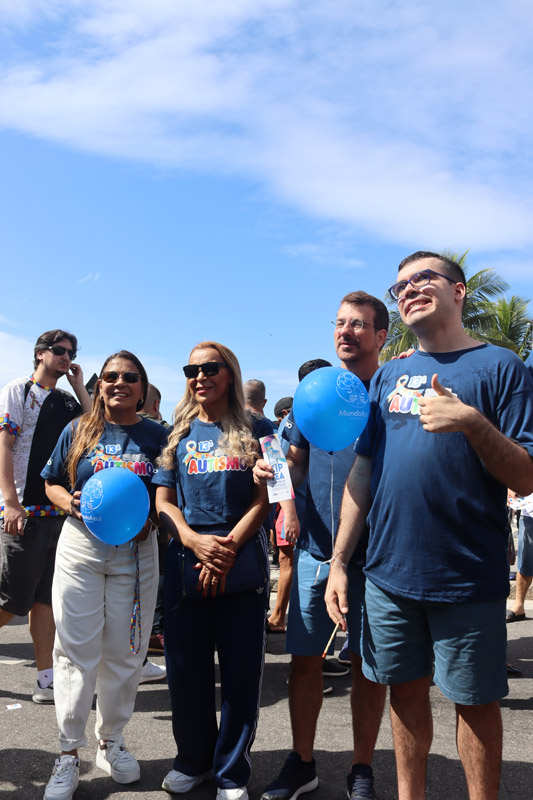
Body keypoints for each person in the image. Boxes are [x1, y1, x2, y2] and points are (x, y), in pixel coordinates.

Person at [326, 252, 533, 800]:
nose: (409, 289)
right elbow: (363, 472)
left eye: (424, 278)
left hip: (466, 574)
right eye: (400, 286)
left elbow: (526, 475)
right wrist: (340, 563)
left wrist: (469, 421)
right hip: (390, 573)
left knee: (475, 702)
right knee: (405, 696)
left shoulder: (502, 367)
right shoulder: (389, 374)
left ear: (459, 290)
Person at [256, 295, 389, 800]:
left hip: (376, 556)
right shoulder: (314, 393)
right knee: (305, 660)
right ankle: (302, 762)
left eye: (359, 324)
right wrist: (274, 485)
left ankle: (361, 768)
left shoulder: (390, 392)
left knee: (366, 666)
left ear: (381, 336)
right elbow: (288, 459)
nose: (346, 331)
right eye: (339, 323)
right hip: (314, 550)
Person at [41, 350, 167, 800]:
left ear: (142, 385)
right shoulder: (78, 430)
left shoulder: (159, 435)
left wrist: (158, 515)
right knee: (75, 649)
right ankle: (68, 753)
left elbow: (170, 492)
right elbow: (51, 480)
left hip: (137, 553)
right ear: (99, 386)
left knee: (126, 650)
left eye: (129, 377)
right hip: (82, 547)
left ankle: (110, 740)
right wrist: (65, 502)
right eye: (111, 376)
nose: (119, 383)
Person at [154, 342, 275, 800]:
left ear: (229, 374)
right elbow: (163, 500)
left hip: (239, 559)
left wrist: (226, 546)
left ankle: (231, 773)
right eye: (192, 369)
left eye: (210, 368)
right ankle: (193, 762)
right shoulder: (176, 432)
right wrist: (190, 540)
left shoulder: (261, 428)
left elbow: (271, 495)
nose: (200, 376)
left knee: (242, 676)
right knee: (186, 672)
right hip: (185, 559)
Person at [0, 329, 91, 704]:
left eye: (71, 352)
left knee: (46, 602)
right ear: (40, 353)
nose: (66, 357)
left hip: (59, 512)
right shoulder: (19, 390)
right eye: (59, 350)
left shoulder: (69, 401)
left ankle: (45, 678)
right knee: (9, 602)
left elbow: (94, 426)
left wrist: (81, 386)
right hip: (25, 511)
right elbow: (4, 443)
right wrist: (10, 502)